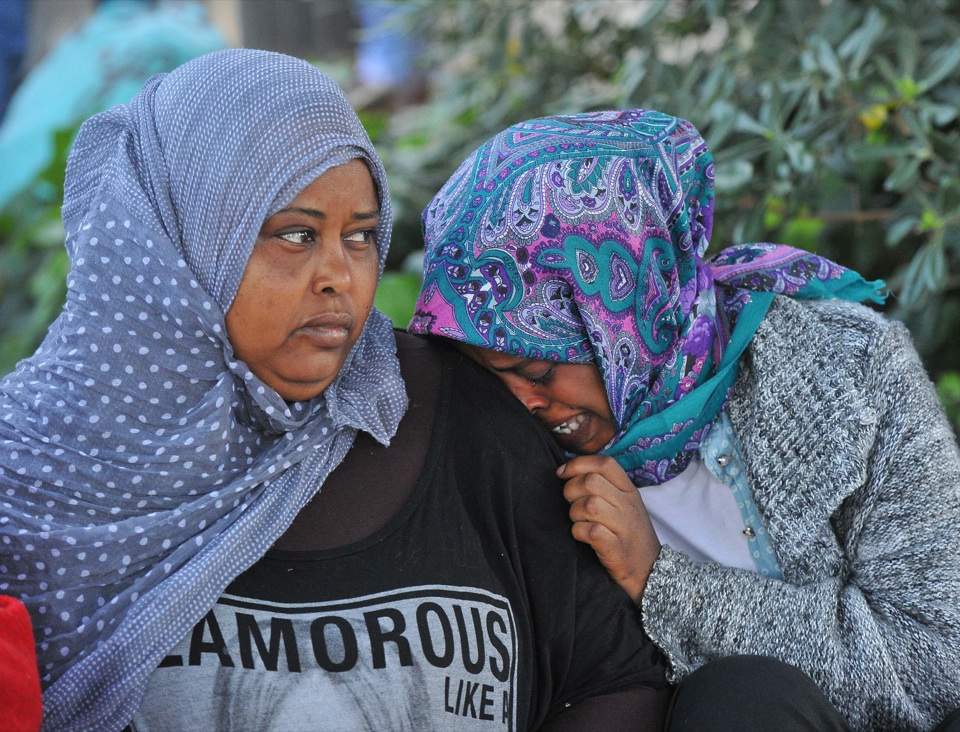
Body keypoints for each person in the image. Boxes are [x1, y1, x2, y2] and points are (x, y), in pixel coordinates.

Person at [0, 52, 670, 732]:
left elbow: (609, 680)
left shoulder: (459, 418)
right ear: (179, 238)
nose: (338, 277)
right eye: (296, 235)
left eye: (359, 237)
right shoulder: (31, 476)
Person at [409, 109, 960, 731]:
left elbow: (932, 669)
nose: (524, 405)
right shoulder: (519, 458)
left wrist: (662, 581)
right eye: (490, 376)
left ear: (623, 316)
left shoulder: (850, 370)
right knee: (739, 703)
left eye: (537, 370)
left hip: (956, 722)